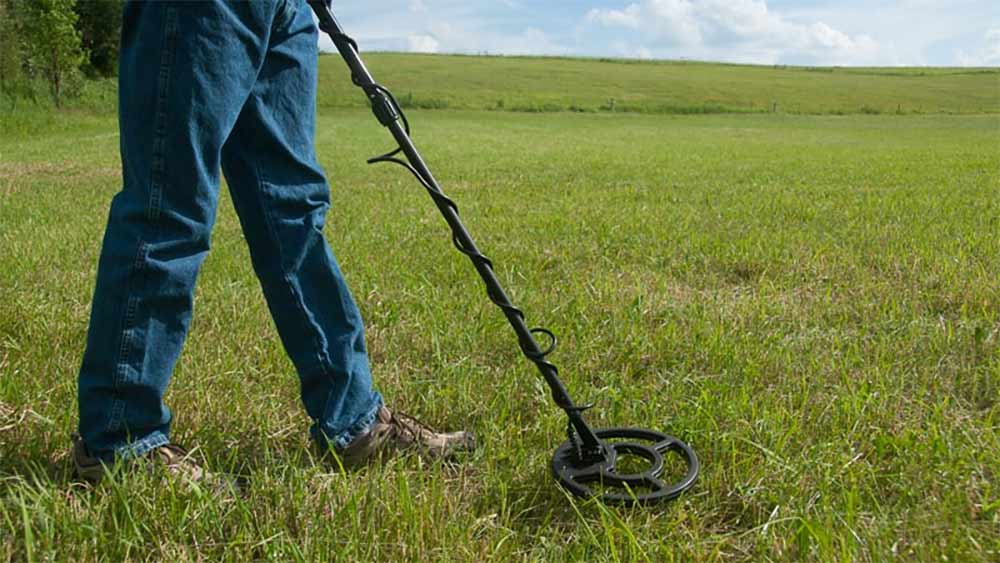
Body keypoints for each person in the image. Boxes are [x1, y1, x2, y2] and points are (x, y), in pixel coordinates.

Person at [72, 0, 474, 483]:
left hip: (287, 8)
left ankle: (354, 424)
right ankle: (119, 443)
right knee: (170, 207)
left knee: (293, 210)